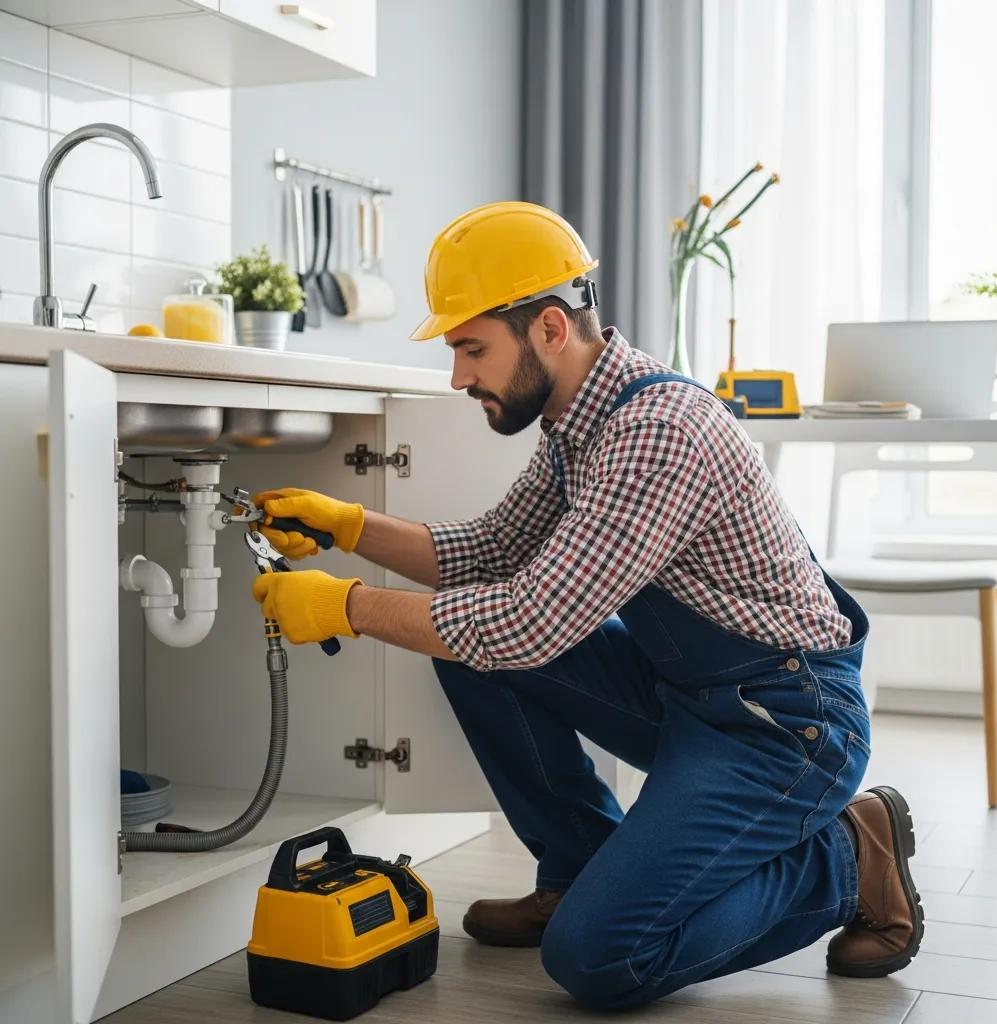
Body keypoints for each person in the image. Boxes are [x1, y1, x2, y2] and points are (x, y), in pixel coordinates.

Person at [251, 201, 924, 1010]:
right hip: (690, 699)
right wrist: (350, 527)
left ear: (548, 329)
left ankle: (849, 858)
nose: (459, 377)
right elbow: (493, 551)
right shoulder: (580, 420)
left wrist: (348, 607)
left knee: (600, 959)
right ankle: (576, 872)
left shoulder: (658, 432)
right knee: (470, 647)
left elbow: (531, 622)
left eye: (471, 348)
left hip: (782, 726)